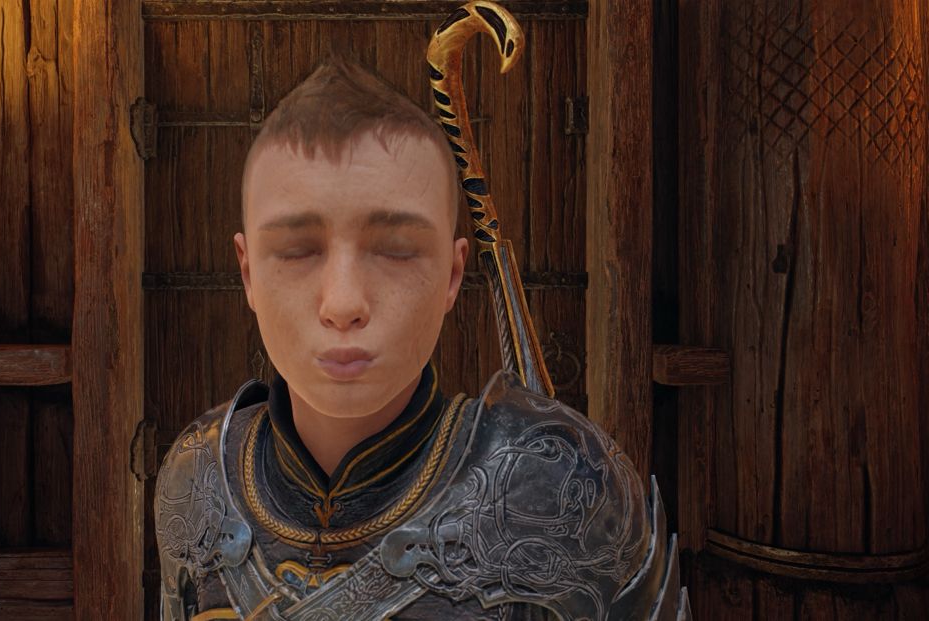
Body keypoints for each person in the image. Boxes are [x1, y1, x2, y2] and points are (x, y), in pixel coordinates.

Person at [155, 52, 688, 621]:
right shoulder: (198, 478)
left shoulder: (567, 486)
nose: (343, 304)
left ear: (453, 274)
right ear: (248, 273)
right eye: (296, 250)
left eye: (395, 251)